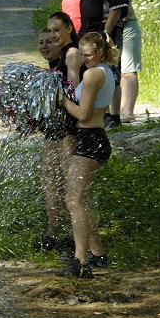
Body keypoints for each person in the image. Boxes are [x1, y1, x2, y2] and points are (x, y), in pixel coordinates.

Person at [57, 31, 116, 278]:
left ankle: (80, 261)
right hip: (90, 139)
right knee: (81, 199)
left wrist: (60, 99)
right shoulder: (103, 72)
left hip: (91, 140)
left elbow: (82, 114)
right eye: (81, 54)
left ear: (100, 52)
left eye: (88, 54)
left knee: (73, 200)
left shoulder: (93, 74)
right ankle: (97, 252)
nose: (84, 59)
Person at [36, 13, 85, 253]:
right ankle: (54, 233)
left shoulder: (71, 53)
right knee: (50, 182)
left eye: (56, 31)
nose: (52, 36)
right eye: (48, 32)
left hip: (69, 129)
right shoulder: (56, 60)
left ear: (69, 28)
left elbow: (73, 90)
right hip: (55, 129)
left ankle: (77, 241)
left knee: (68, 185)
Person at [77, 0, 142, 126]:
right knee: (96, 71)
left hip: (112, 31)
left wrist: (105, 33)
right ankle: (101, 113)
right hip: (92, 31)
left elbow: (116, 9)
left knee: (114, 72)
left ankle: (117, 115)